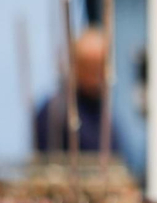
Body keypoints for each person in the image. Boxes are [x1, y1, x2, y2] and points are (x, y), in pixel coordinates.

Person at [34, 26, 120, 155]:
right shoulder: (54, 113)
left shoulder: (103, 111)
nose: (99, 74)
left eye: (102, 65)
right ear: (75, 65)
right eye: (91, 65)